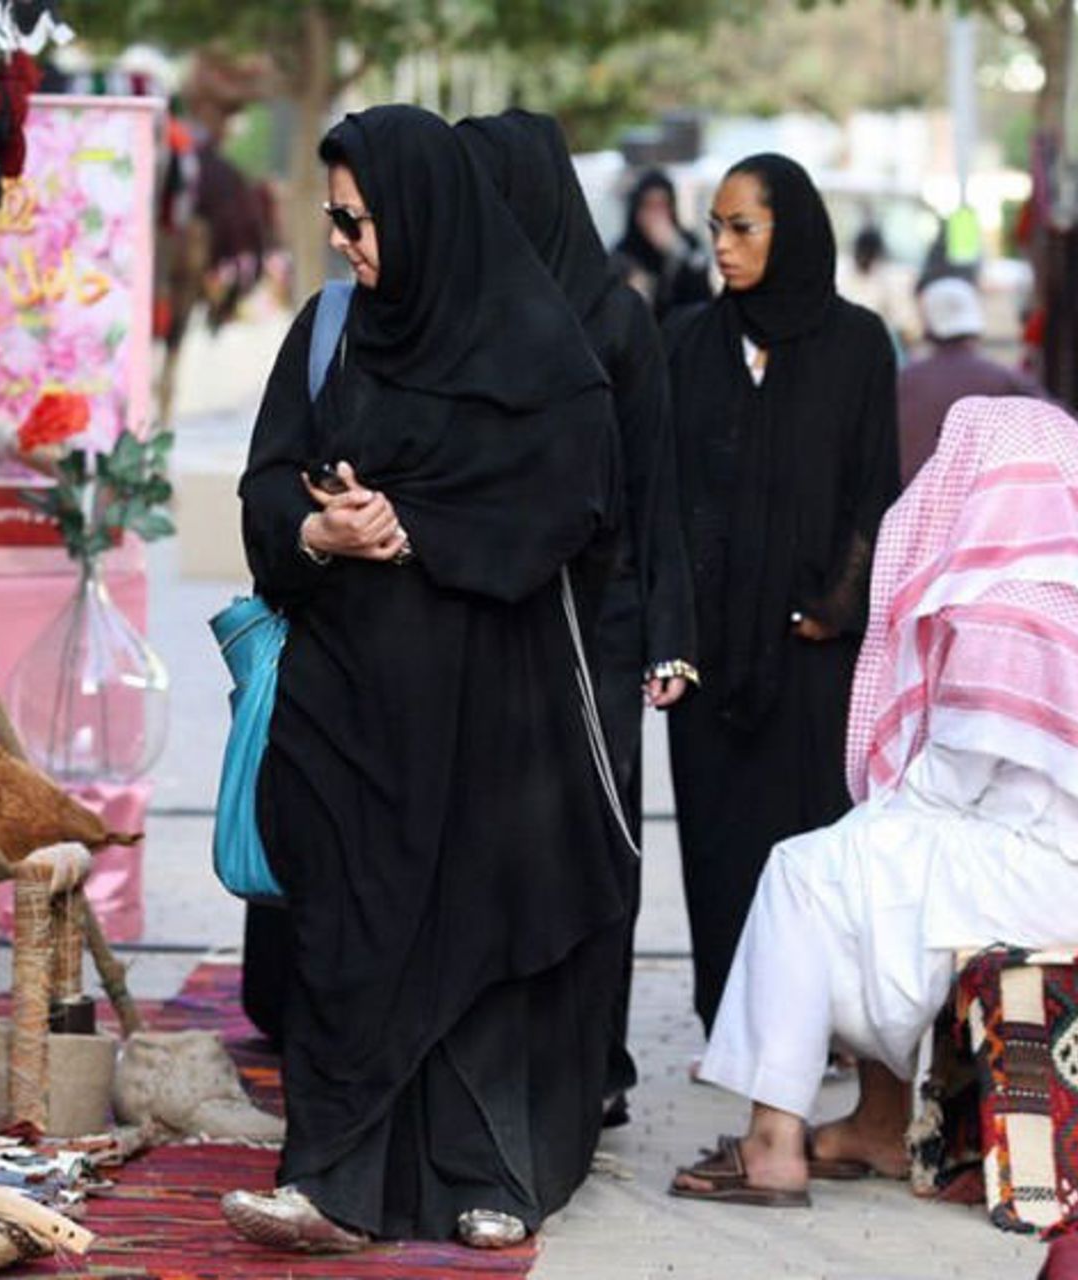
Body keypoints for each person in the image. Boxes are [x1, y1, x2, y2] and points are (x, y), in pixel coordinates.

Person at [220, 104, 633, 1254]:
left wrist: (414, 530)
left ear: (424, 212)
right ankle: (332, 1177)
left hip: (494, 711)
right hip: (347, 700)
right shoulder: (333, 332)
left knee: (481, 930)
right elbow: (262, 488)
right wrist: (318, 536)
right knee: (347, 927)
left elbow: (572, 500)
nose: (344, 241)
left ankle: (484, 1166)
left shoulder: (539, 349)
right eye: (334, 219)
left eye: (358, 219)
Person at [670, 394, 1078, 1206]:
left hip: (1067, 880)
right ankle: (875, 1121)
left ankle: (771, 1142)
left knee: (806, 871)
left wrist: (872, 818)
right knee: (866, 867)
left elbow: (953, 776)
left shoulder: (1006, 599)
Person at [456, 109, 697, 1127]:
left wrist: (667, 634)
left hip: (600, 627)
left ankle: (594, 1057)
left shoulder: (614, 316)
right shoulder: (463, 308)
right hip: (490, 622)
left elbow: (655, 484)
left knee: (595, 838)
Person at [662, 153, 900, 1059]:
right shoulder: (687, 343)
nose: (721, 245)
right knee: (719, 846)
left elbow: (873, 489)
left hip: (810, 652)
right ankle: (733, 1021)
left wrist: (834, 608)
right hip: (712, 652)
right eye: (715, 227)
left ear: (789, 230)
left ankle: (817, 1027)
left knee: (807, 845)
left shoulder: (856, 344)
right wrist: (674, 632)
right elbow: (664, 494)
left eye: (742, 227)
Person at [896, 276, 1045, 485]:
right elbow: (1059, 422)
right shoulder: (1004, 379)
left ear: (927, 325)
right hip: (985, 509)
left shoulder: (901, 382)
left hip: (906, 507)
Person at [611, 168, 714, 321]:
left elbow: (703, 295)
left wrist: (677, 251)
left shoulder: (687, 242)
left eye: (662, 205)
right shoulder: (622, 253)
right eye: (649, 206)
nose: (656, 215)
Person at [837, 224, 920, 359]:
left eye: (868, 256)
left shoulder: (891, 277)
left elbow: (907, 327)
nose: (865, 260)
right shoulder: (840, 272)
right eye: (862, 255)